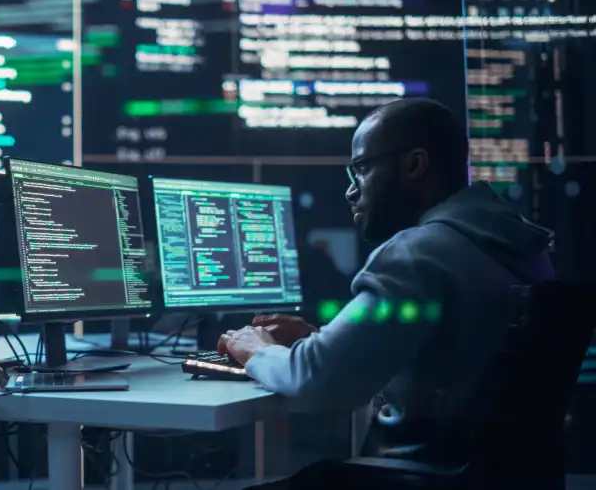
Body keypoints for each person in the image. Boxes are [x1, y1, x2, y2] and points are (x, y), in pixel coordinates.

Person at [218, 98, 556, 487]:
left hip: (415, 478)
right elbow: (453, 360)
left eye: (360, 170)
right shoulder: (519, 247)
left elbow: (320, 381)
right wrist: (320, 340)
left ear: (414, 165)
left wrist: (256, 348)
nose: (350, 191)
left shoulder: (420, 252)